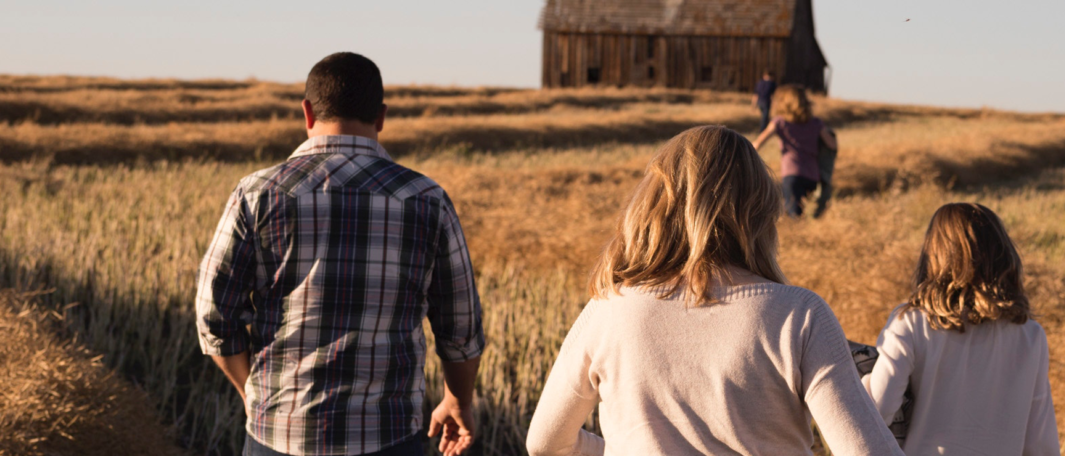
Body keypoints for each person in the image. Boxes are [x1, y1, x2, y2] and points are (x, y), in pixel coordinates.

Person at [525, 126, 904, 456]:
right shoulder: (799, 314)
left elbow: (544, 443)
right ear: (759, 209)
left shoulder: (609, 308)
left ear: (654, 203)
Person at [195, 52, 485, 456]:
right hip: (390, 437)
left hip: (277, 436)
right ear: (381, 117)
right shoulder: (426, 199)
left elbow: (214, 317)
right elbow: (461, 329)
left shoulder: (256, 193)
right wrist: (459, 400)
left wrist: (254, 395)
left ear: (307, 112)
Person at [863, 203, 1059, 455]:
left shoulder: (911, 322)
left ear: (934, 256)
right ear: (1003, 255)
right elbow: (1041, 443)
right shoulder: (1031, 335)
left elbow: (876, 412)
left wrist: (863, 377)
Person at [752, 84, 838, 218]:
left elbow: (757, 144)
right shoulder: (816, 123)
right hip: (812, 176)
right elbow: (832, 145)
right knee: (807, 215)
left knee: (793, 217)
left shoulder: (779, 122)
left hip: (791, 174)